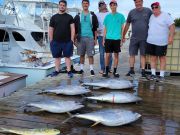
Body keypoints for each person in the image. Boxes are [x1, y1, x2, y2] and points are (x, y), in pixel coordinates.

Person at [146, 2, 175, 82]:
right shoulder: (151, 16)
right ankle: (153, 74)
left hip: (161, 42)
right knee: (153, 58)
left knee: (162, 58)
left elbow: (172, 26)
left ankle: (161, 76)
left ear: (159, 7)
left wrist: (171, 37)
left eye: (156, 7)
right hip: (151, 41)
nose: (154, 9)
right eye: (153, 8)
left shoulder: (166, 15)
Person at [122, 0, 152, 78]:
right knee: (132, 54)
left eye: (139, 2)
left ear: (142, 2)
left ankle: (143, 71)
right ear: (134, 3)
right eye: (136, 2)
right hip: (134, 38)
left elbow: (154, 21)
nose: (137, 3)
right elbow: (127, 24)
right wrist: (123, 35)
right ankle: (131, 70)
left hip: (145, 38)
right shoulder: (131, 12)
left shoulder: (148, 11)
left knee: (143, 55)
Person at [49, 0, 75, 78]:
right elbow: (51, 29)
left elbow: (73, 28)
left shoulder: (69, 17)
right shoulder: (54, 17)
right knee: (57, 57)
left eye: (64, 5)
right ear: (59, 6)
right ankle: (57, 70)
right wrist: (51, 40)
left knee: (67, 56)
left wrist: (72, 39)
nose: (62, 6)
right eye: (61, 5)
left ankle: (69, 71)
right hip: (56, 41)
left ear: (65, 7)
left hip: (67, 41)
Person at [74, 0, 98, 76]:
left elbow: (95, 29)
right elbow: (75, 29)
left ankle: (91, 69)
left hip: (90, 37)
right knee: (81, 55)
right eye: (84, 3)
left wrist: (95, 39)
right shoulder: (78, 16)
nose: (85, 5)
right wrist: (74, 39)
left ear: (89, 4)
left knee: (90, 55)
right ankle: (81, 69)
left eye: (86, 3)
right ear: (82, 4)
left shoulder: (92, 15)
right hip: (80, 38)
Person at [103, 0, 125, 78]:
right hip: (108, 38)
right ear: (110, 6)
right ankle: (106, 71)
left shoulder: (121, 16)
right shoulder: (107, 17)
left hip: (117, 38)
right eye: (111, 5)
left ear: (116, 5)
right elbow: (105, 28)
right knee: (107, 55)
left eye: (114, 4)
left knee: (116, 55)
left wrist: (122, 38)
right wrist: (103, 39)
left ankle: (115, 71)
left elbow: (122, 28)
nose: (113, 6)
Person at [96, 0, 113, 75]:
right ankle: (102, 68)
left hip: (109, 36)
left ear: (105, 5)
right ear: (99, 6)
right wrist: (96, 30)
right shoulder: (97, 15)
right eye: (100, 4)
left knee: (110, 53)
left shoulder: (110, 13)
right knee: (102, 53)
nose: (102, 5)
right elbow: (94, 25)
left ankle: (109, 68)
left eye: (103, 4)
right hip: (100, 36)